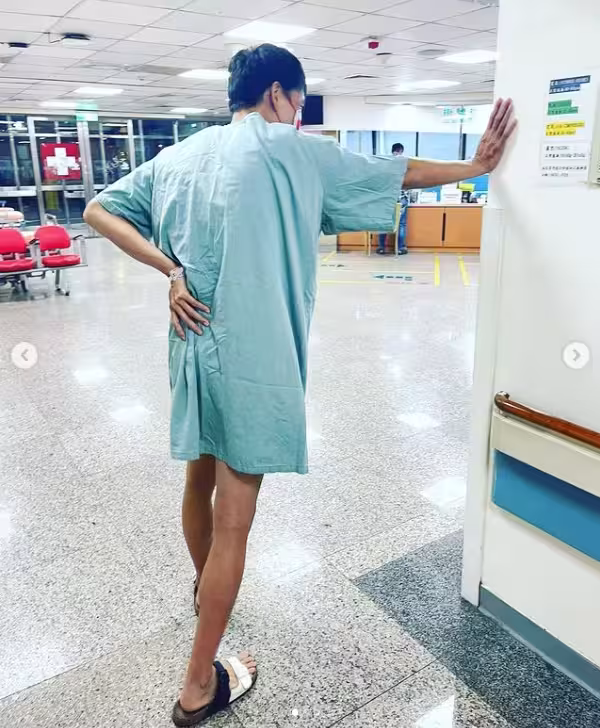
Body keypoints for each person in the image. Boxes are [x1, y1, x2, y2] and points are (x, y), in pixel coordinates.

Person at [83, 43, 516, 727]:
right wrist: (476, 166)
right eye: (298, 102)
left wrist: (170, 269)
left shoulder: (180, 156)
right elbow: (396, 171)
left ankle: (206, 592)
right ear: (278, 95)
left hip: (192, 345)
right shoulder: (295, 151)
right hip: (255, 356)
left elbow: (98, 211)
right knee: (236, 517)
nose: (296, 114)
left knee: (198, 480)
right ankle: (198, 684)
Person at [377, 142, 406, 255]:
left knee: (383, 223)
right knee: (401, 224)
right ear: (401, 151)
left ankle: (381, 247)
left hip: (386, 197)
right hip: (401, 198)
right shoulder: (405, 163)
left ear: (392, 150)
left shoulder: (384, 163)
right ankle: (400, 248)